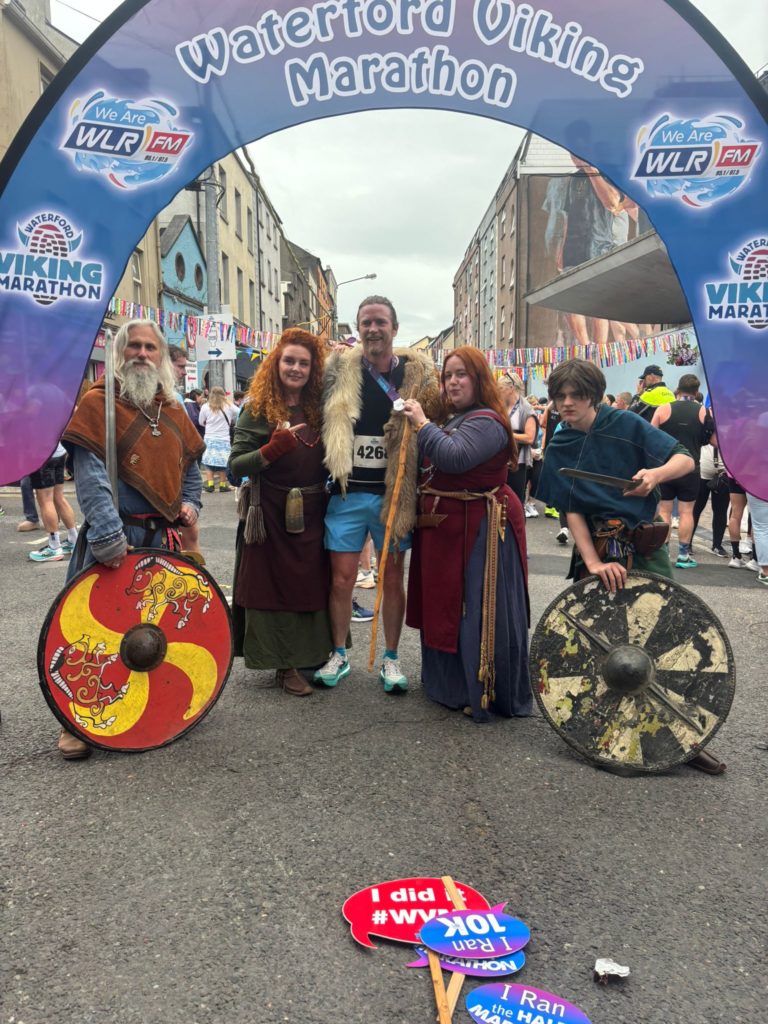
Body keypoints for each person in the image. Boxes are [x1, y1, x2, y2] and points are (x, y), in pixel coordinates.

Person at [536, 358, 725, 775]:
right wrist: (592, 560)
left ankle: (684, 736)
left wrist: (655, 475)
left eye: (576, 395)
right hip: (599, 547)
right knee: (602, 649)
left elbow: (684, 461)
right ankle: (607, 738)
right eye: (560, 396)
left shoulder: (626, 423)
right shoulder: (560, 443)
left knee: (668, 640)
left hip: (643, 543)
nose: (567, 403)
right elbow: (572, 508)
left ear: (593, 394)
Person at [58, 319, 204, 759]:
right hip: (117, 534)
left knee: (155, 632)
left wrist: (191, 503)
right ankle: (77, 720)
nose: (142, 354)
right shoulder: (98, 403)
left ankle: (151, 711)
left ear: (161, 357)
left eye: (150, 347)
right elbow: (90, 476)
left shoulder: (172, 408)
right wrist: (107, 534)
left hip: (161, 539)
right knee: (94, 632)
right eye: (133, 346)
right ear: (119, 353)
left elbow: (190, 469)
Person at [317, 295, 440, 691]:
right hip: (347, 493)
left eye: (380, 322)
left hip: (394, 495)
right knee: (342, 579)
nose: (373, 329)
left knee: (391, 578)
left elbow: (438, 419)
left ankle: (391, 658)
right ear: (358, 329)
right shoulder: (341, 371)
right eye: (366, 323)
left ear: (394, 329)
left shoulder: (415, 377)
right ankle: (339, 653)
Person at [403, 347, 531, 722]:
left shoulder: (487, 420)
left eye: (462, 374)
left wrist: (423, 424)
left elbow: (454, 457)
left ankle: (481, 690)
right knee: (445, 606)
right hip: (448, 528)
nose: (453, 382)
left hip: (480, 530)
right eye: (448, 376)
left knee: (473, 608)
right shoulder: (456, 418)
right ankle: (449, 687)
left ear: (479, 380)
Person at [229, 328, 330, 697]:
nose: (296, 368)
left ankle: (311, 655)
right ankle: (283, 664)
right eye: (289, 360)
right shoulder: (257, 408)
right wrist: (271, 450)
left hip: (314, 510)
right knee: (275, 588)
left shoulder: (320, 407)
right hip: (270, 513)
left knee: (310, 584)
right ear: (276, 362)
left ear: (313, 369)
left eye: (304, 363)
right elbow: (235, 466)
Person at [652, 373, 714, 568]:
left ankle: (663, 552)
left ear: (678, 389)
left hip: (666, 467)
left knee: (664, 510)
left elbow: (650, 437)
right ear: (696, 391)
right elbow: (714, 441)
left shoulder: (664, 408)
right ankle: (683, 555)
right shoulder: (703, 411)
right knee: (687, 512)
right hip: (690, 468)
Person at [27, 442, 79, 562]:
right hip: (59, 451)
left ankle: (54, 547)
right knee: (59, 497)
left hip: (41, 455)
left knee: (46, 501)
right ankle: (74, 540)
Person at [499, 373, 536, 508]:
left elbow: (530, 437)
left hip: (518, 462)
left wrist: (507, 434)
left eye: (501, 388)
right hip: (501, 460)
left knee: (515, 502)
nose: (498, 392)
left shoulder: (525, 408)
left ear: (511, 388)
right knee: (500, 500)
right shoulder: (502, 406)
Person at [692, 443, 729, 557]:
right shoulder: (706, 430)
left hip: (723, 473)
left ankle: (717, 545)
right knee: (695, 509)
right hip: (702, 472)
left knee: (721, 511)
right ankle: (687, 542)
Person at [199, 386, 236, 492]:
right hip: (224, 439)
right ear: (223, 395)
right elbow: (239, 412)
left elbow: (201, 422)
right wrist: (231, 419)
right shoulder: (229, 406)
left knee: (209, 462)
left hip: (210, 438)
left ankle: (210, 485)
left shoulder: (205, 406)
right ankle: (223, 485)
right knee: (223, 463)